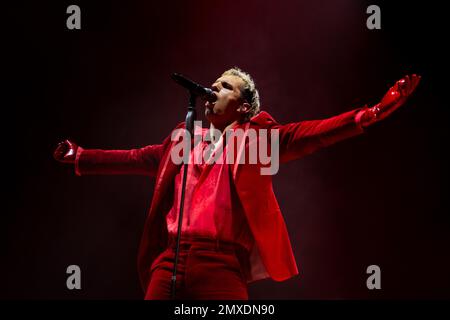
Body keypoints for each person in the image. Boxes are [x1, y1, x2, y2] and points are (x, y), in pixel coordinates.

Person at [53, 68, 420, 299]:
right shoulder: (184, 139)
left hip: (221, 266)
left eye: (224, 86)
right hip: (170, 262)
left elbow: (313, 134)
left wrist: (368, 115)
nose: (212, 90)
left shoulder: (258, 141)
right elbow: (137, 157)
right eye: (212, 85)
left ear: (244, 107)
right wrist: (82, 156)